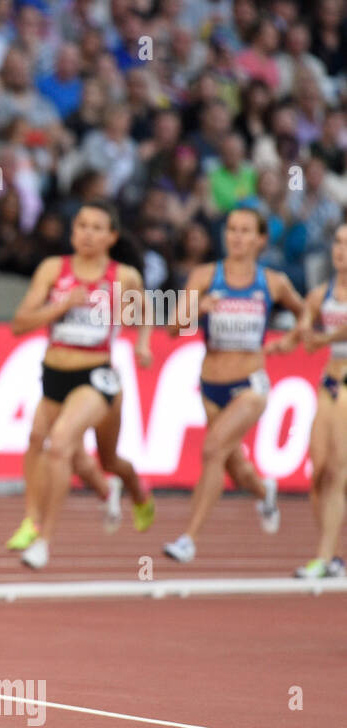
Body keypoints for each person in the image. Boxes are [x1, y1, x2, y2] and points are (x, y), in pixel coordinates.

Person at [6, 201, 156, 569]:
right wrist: (60, 307)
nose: (87, 233)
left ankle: (43, 541)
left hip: (96, 375)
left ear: (111, 236)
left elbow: (146, 309)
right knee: (57, 445)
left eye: (96, 227)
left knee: (58, 444)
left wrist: (142, 343)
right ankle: (34, 518)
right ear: (73, 232)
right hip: (54, 371)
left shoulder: (123, 276)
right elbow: (19, 323)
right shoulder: (53, 269)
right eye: (81, 226)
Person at [163, 207, 304, 563]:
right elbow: (174, 327)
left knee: (212, 450)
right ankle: (264, 493)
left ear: (260, 239)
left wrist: (289, 341)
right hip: (211, 385)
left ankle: (188, 538)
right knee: (235, 467)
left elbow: (307, 314)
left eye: (245, 231)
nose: (236, 237)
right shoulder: (205, 275)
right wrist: (200, 308)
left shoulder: (273, 282)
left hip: (250, 384)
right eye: (231, 230)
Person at [294, 223, 347, 578]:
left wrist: (323, 337)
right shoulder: (319, 293)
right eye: (338, 242)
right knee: (319, 473)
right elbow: (300, 330)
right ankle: (332, 556)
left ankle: (324, 557)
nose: (340, 249)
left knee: (338, 471)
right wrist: (282, 344)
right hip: (327, 381)